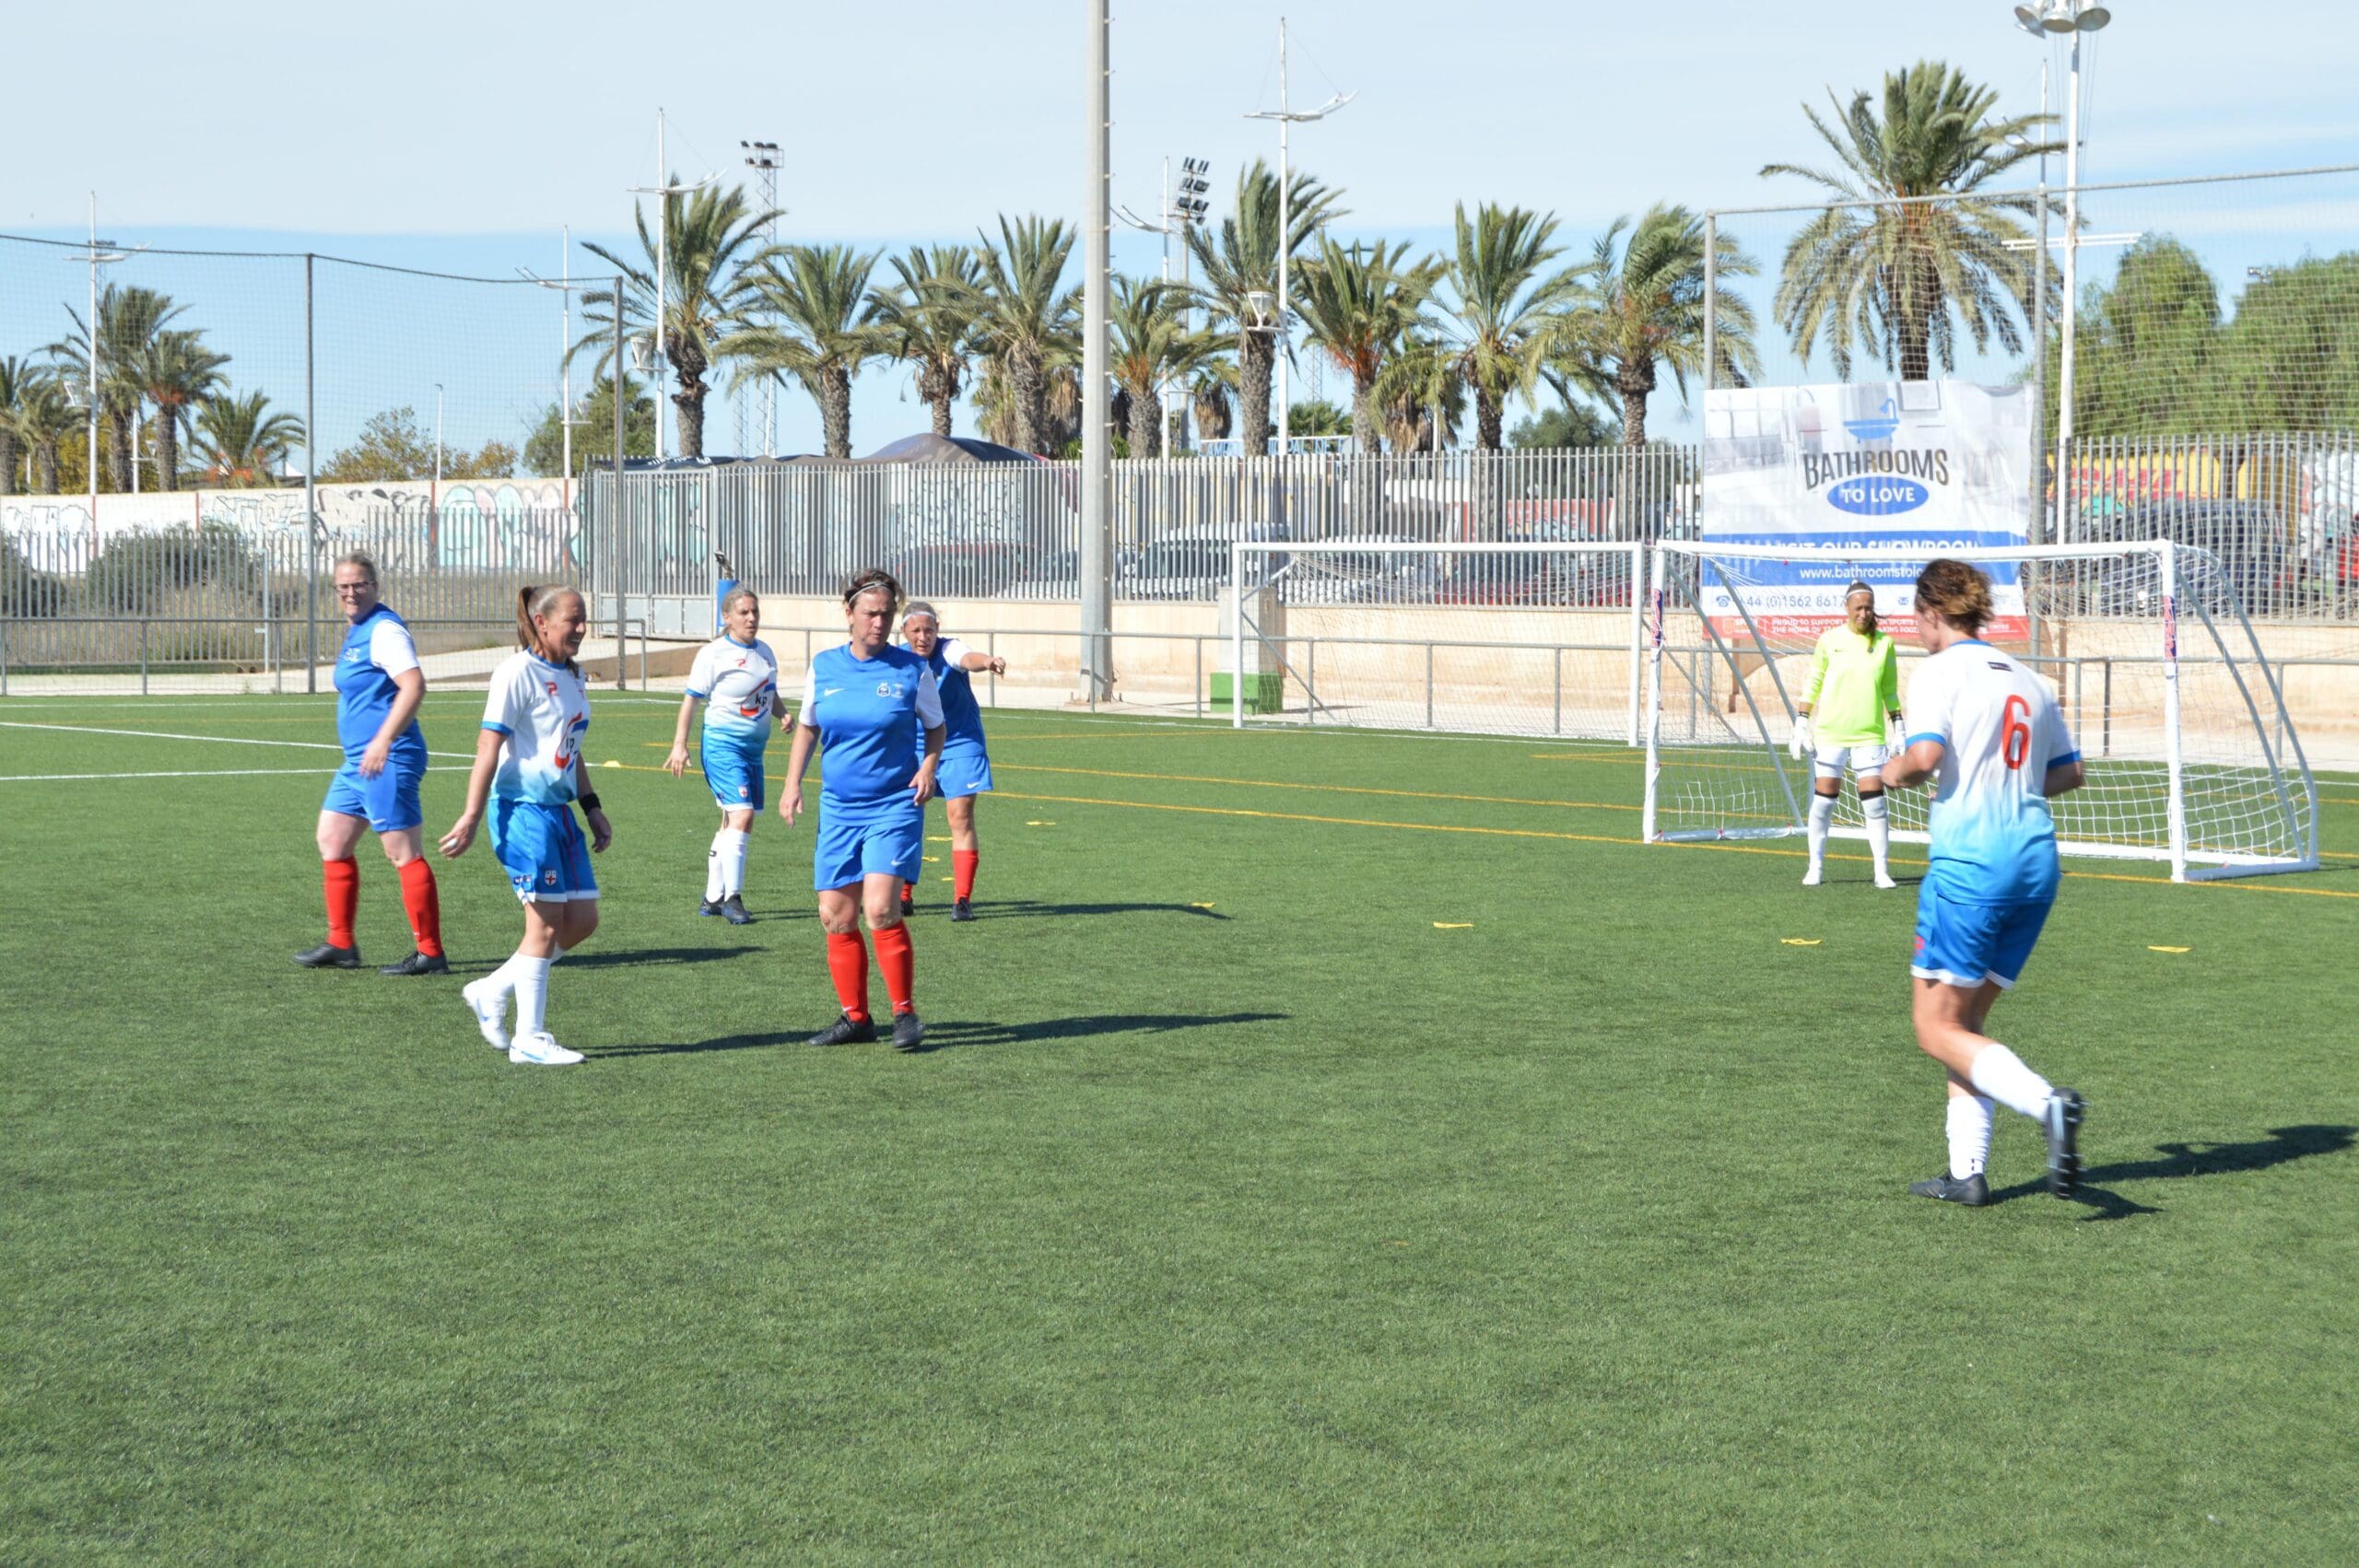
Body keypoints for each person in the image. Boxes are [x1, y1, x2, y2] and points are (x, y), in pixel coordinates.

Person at [1880, 559, 2086, 1206]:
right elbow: (2069, 773)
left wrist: (1888, 772)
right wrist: (2002, 780)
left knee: (1933, 1028)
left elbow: (1924, 759)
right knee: (1964, 1024)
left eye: (1916, 617)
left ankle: (2047, 1104)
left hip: (1973, 865)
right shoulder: (2030, 679)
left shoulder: (1939, 672)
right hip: (2035, 865)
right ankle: (1966, 1172)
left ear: (1931, 612)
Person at [437, 585, 613, 1067]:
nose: (581, 628)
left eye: (584, 619)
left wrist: (591, 806)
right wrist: (471, 815)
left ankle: (491, 989)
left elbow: (569, 748)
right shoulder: (516, 672)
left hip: (559, 812)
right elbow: (487, 747)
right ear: (542, 622)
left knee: (583, 921)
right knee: (545, 923)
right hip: (522, 810)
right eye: (573, 620)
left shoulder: (574, 675)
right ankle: (529, 1039)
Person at [782, 568, 944, 1052]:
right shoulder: (824, 666)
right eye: (871, 613)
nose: (880, 623)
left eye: (887, 615)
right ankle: (855, 1019)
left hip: (894, 804)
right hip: (838, 808)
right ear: (849, 613)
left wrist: (929, 766)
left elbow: (935, 726)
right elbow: (808, 727)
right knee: (835, 914)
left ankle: (905, 1015)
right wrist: (792, 783)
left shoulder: (912, 669)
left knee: (880, 909)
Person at [294, 551, 448, 976]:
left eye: (359, 584)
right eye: (343, 586)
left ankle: (430, 953)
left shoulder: (384, 630)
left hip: (388, 757)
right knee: (332, 839)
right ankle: (341, 944)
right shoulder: (358, 630)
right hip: (358, 763)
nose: (350, 593)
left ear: (375, 586)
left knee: (403, 853)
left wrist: (383, 740)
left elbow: (413, 686)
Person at [664, 587, 784, 926]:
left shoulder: (765, 652)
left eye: (755, 611)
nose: (751, 618)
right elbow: (691, 699)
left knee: (735, 822)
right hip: (722, 746)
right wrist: (679, 744)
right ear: (727, 617)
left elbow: (768, 693)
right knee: (741, 815)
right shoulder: (714, 654)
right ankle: (733, 899)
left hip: (753, 752)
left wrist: (783, 714)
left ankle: (712, 898)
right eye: (744, 612)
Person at [898, 601, 1007, 922]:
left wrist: (987, 661)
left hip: (960, 742)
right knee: (906, 817)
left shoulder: (949, 650)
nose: (923, 637)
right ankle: (903, 896)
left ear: (938, 630)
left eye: (929, 630)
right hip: (916, 746)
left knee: (960, 816)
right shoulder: (897, 659)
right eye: (916, 631)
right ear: (903, 631)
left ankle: (962, 900)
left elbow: (967, 659)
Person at [1790, 579, 1903, 890]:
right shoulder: (1829, 640)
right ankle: (1815, 867)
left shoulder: (1884, 643)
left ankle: (1881, 871)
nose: (1864, 613)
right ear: (1847, 608)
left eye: (1869, 608)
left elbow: (1889, 690)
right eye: (1859, 608)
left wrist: (1899, 726)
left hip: (1870, 735)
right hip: (1832, 733)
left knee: (1874, 804)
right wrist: (1802, 720)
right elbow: (1814, 680)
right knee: (1824, 803)